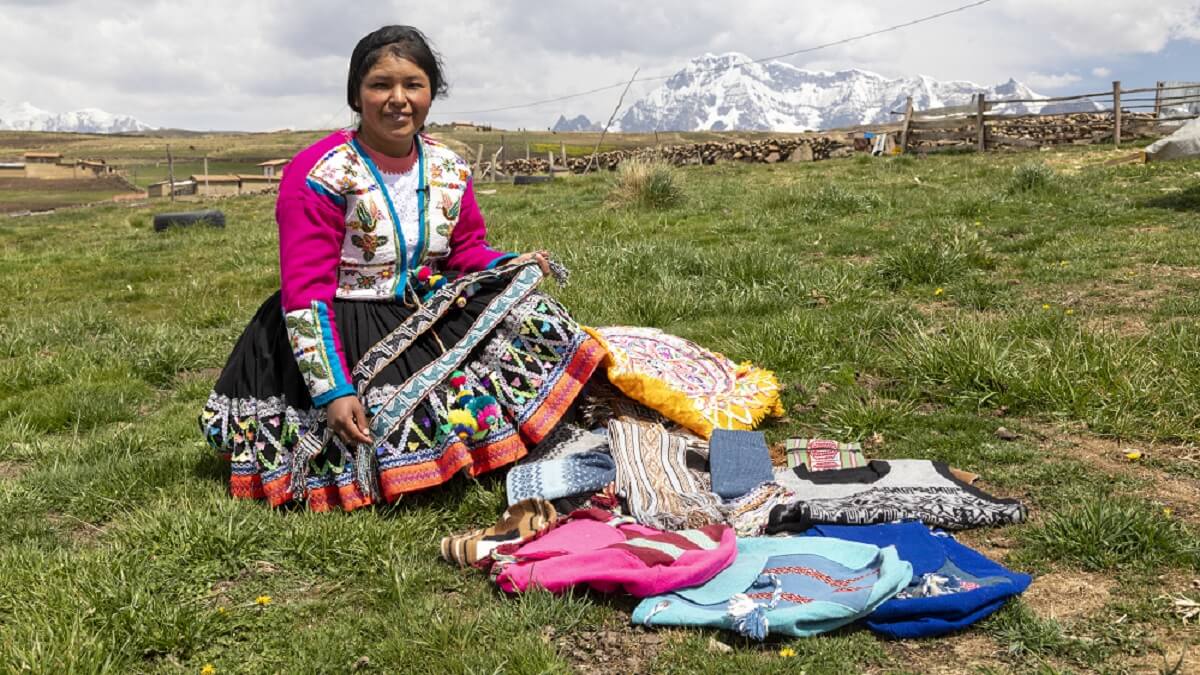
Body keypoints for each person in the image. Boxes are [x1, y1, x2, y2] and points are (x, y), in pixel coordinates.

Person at [199, 25, 606, 512]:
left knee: (538, 318)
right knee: (385, 437)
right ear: (356, 95)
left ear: (431, 92)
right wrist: (334, 391)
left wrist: (509, 265)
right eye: (380, 86)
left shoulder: (447, 168)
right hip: (338, 324)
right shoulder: (320, 174)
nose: (398, 99)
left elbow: (466, 251)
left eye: (413, 84)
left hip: (421, 309)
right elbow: (306, 293)